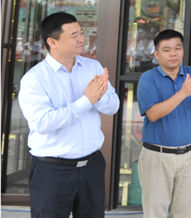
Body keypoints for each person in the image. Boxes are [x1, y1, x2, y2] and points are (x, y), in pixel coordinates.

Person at [18, 12, 120, 218]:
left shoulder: (93, 67)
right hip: (52, 171)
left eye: (81, 33)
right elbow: (42, 122)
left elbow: (113, 106)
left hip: (92, 166)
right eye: (74, 35)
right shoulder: (35, 79)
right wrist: (86, 101)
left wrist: (98, 97)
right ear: (52, 42)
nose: (81, 39)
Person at [137, 29, 191, 218]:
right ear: (157, 54)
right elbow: (153, 114)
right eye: (167, 50)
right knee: (155, 212)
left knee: (185, 212)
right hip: (158, 156)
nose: (173, 53)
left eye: (177, 48)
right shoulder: (148, 79)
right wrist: (183, 93)